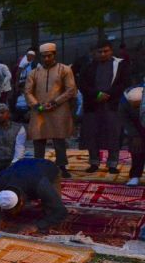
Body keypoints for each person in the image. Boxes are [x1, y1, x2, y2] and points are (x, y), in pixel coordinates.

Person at [24, 42, 77, 178]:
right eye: (43, 56)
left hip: (58, 109)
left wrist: (55, 102)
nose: (46, 59)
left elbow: (71, 89)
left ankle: (62, 166)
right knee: (38, 139)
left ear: (54, 54)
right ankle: (38, 166)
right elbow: (28, 91)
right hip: (39, 110)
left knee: (59, 139)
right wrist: (36, 105)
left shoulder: (64, 70)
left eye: (49, 56)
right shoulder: (33, 73)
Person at [79, 39, 130, 174]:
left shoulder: (120, 65)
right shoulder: (88, 66)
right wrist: (96, 94)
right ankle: (94, 162)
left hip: (112, 105)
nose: (102, 54)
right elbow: (82, 84)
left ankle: (112, 164)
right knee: (92, 134)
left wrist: (108, 94)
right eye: (99, 52)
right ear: (95, 53)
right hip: (92, 105)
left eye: (105, 51)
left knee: (113, 134)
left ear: (111, 51)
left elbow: (124, 83)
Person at [0, 158, 68, 235]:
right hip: (23, 165)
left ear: (22, 201)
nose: (13, 214)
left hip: (47, 167)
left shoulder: (40, 185)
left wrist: (37, 226)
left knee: (51, 210)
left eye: (14, 210)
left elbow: (61, 211)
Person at [120, 86, 145, 186]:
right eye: (134, 106)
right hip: (135, 127)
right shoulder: (123, 103)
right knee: (137, 150)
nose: (136, 108)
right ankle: (135, 176)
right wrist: (134, 135)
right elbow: (125, 121)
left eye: (138, 105)